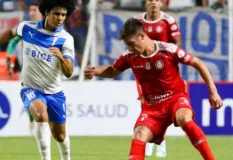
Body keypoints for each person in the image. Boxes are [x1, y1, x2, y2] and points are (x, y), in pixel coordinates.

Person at [84, 18, 223, 160]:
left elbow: (198, 63)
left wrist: (213, 92)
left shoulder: (168, 50)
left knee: (184, 118)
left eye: (131, 44)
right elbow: (112, 70)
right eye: (127, 45)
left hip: (175, 98)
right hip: (152, 108)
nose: (130, 48)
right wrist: (95, 71)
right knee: (139, 134)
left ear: (142, 36)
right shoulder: (129, 56)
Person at [0, 0, 76, 160]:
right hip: (30, 88)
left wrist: (60, 58)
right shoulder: (27, 27)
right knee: (40, 115)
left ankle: (66, 157)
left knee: (59, 136)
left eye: (63, 15)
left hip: (55, 93)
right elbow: (11, 33)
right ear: (47, 12)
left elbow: (69, 72)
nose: (60, 18)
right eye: (57, 14)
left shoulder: (65, 39)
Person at [134, 0, 182, 157]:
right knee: (145, 104)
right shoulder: (137, 21)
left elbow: (177, 44)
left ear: (162, 3)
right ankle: (149, 141)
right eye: (149, 0)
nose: (153, 2)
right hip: (143, 70)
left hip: (163, 71)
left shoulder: (168, 20)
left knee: (164, 106)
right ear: (145, 3)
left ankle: (161, 143)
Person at [6, 1, 43, 134]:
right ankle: (32, 121)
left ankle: (44, 123)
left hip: (48, 69)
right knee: (30, 97)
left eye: (34, 10)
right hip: (28, 70)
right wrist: (9, 58)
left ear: (42, 12)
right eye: (30, 10)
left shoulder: (51, 27)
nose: (31, 13)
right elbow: (12, 43)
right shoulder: (25, 28)